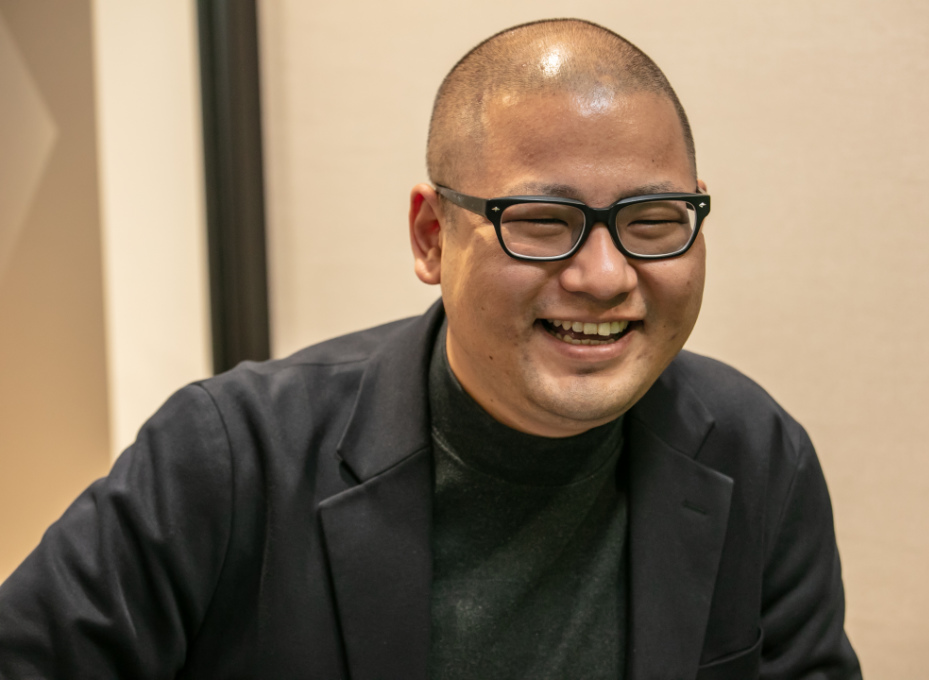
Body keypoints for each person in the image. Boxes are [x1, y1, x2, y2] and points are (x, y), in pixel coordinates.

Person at [0, 18, 861, 680]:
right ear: (430, 237)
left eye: (652, 221)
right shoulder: (227, 456)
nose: (605, 276)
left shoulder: (756, 454)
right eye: (542, 222)